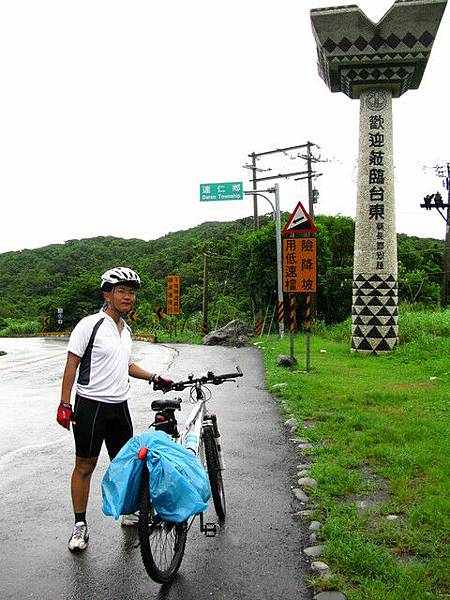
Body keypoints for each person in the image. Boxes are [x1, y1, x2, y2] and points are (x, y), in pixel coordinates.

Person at [56, 267, 172, 552]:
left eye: (131, 292)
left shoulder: (126, 330)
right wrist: (64, 403)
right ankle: (80, 525)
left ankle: (129, 514)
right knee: (85, 466)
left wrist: (154, 377)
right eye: (121, 291)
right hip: (90, 407)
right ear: (107, 294)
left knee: (127, 464)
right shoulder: (90, 325)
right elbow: (72, 364)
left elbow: (127, 365)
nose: (128, 297)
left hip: (119, 407)